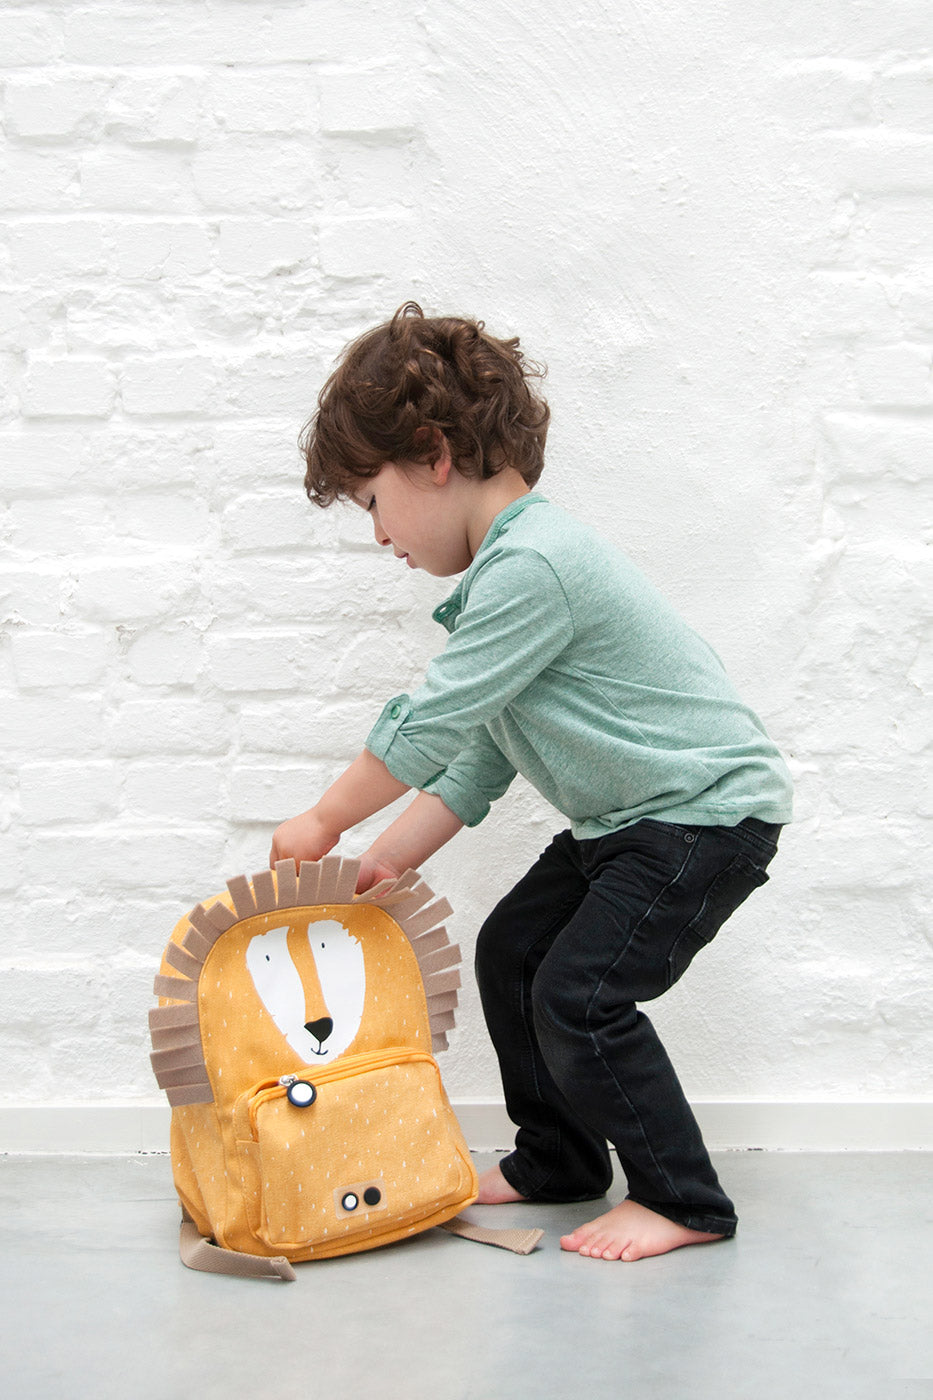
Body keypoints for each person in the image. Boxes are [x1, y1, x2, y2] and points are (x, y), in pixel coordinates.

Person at [270, 301, 793, 1262]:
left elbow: (430, 721)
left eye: (371, 501)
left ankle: (683, 1198)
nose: (378, 535)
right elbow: (480, 754)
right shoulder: (506, 580)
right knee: (512, 951)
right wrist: (386, 857)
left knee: (580, 995)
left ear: (433, 455)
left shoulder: (533, 566)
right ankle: (558, 1158)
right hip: (626, 822)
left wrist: (322, 820)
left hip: (701, 816)